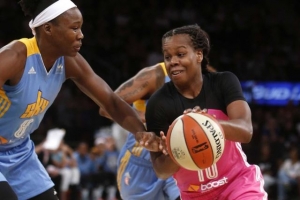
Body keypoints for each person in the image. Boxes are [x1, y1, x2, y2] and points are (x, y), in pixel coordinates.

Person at [0, 0, 159, 199]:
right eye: (74, 28)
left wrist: (143, 133)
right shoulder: (13, 57)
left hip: (19, 151)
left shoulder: (68, 61)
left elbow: (110, 101)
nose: (81, 35)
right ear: (48, 28)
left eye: (81, 28)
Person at [144, 24, 268, 200]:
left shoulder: (223, 82)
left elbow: (245, 131)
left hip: (238, 184)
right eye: (167, 56)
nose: (173, 61)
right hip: (194, 194)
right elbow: (161, 171)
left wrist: (208, 125)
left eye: (180, 54)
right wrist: (178, 150)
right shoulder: (158, 103)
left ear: (199, 55)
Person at [99, 63, 180, 200]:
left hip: (174, 159)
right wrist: (148, 117)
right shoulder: (155, 75)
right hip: (140, 163)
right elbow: (106, 108)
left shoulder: (206, 79)